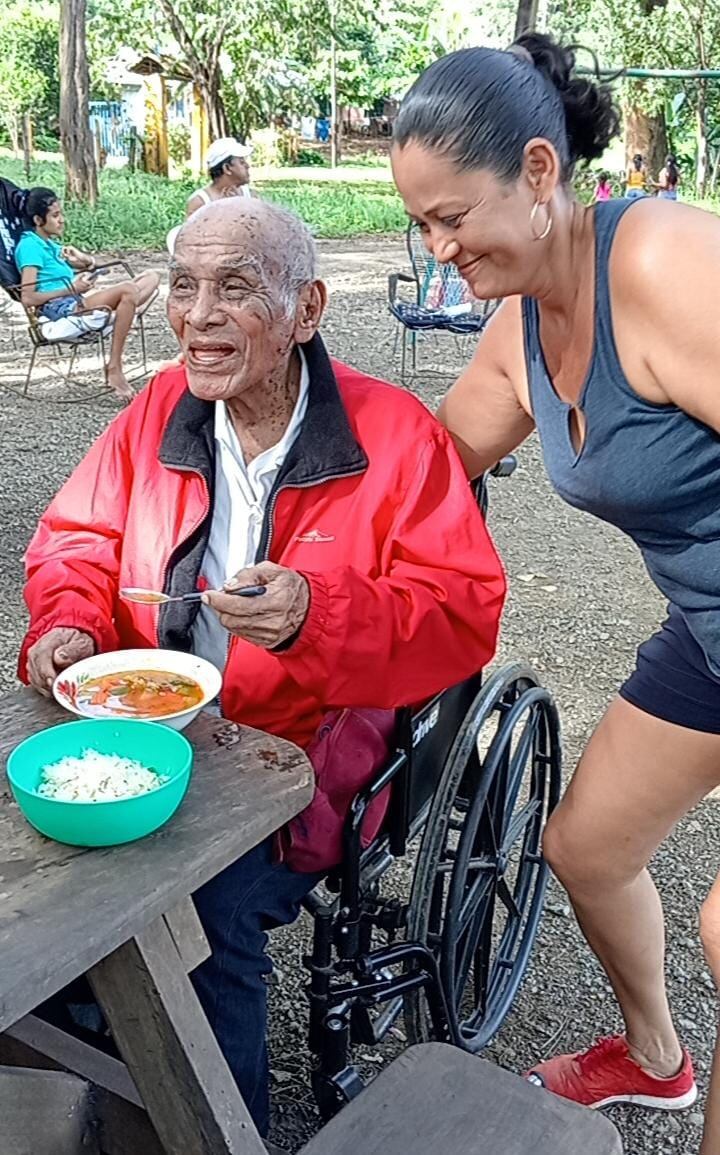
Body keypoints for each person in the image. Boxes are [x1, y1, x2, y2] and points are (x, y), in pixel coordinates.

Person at [19, 197, 506, 1136]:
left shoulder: (397, 437)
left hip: (303, 757)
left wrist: (315, 616)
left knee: (197, 918)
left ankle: (208, 1124)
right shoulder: (163, 407)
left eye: (235, 288)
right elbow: (75, 539)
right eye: (188, 284)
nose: (196, 316)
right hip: (145, 729)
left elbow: (460, 616)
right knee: (36, 870)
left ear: (307, 310)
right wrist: (70, 624)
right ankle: (72, 1060)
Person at [391, 31, 720, 1139]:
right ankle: (655, 1058)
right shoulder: (517, 329)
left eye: (454, 217)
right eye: (420, 224)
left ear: (540, 173)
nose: (438, 251)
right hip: (710, 631)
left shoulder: (663, 264)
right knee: (583, 847)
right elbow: (424, 468)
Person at [15, 187, 159, 402]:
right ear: (38, 219)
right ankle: (114, 367)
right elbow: (27, 298)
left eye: (61, 214)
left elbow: (103, 268)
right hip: (61, 308)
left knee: (152, 275)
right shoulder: (29, 247)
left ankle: (125, 311)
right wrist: (71, 289)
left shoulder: (51, 246)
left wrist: (83, 258)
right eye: (55, 216)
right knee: (128, 289)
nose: (61, 220)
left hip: (75, 300)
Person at [185, 137, 254, 217]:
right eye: (242, 162)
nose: (247, 166)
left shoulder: (250, 195)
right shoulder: (200, 202)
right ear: (227, 168)